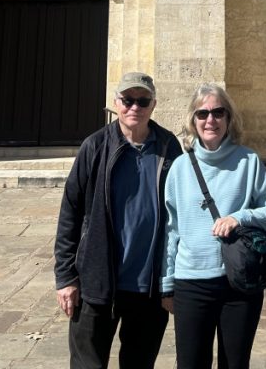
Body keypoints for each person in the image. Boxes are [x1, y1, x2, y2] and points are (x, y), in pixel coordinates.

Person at [54, 71, 182, 369]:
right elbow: (70, 213)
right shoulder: (95, 146)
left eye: (142, 101)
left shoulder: (168, 146)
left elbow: (180, 215)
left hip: (148, 287)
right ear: (115, 103)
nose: (134, 107)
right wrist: (65, 277)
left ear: (153, 105)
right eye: (127, 100)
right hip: (96, 284)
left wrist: (172, 281)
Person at [161, 83, 266, 369]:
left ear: (229, 119)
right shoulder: (179, 168)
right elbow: (171, 229)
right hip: (191, 283)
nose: (210, 120)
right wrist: (167, 283)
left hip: (238, 282)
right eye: (202, 113)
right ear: (193, 120)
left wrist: (240, 217)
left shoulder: (248, 161)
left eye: (218, 112)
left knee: (235, 363)